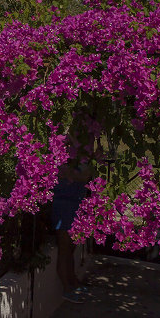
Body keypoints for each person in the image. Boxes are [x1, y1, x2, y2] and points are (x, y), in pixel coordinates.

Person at [54, 126, 94, 302]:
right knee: (64, 247)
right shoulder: (60, 160)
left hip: (75, 203)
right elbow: (84, 176)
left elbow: (86, 173)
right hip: (63, 205)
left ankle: (73, 281)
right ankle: (66, 287)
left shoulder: (76, 158)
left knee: (71, 247)